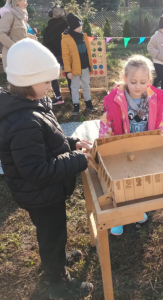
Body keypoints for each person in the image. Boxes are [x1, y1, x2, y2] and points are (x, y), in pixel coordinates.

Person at [0, 38, 94, 299]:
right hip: (39, 193)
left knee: (54, 232)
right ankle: (58, 283)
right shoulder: (23, 121)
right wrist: (79, 160)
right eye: (46, 82)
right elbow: (37, 170)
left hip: (43, 191)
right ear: (27, 80)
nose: (52, 87)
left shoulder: (32, 105)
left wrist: (72, 143)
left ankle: (58, 259)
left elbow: (49, 141)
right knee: (52, 235)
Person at [98, 55, 163, 235]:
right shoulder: (115, 99)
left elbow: (161, 123)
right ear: (125, 79)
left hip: (145, 149)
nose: (138, 86)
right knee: (122, 183)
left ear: (149, 81)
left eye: (142, 82)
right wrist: (104, 146)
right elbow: (107, 123)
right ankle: (119, 217)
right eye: (133, 81)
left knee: (141, 183)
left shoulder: (154, 99)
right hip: (121, 149)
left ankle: (138, 211)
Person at [61, 13, 97, 116]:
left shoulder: (83, 36)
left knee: (86, 85)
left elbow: (88, 53)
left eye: (80, 26)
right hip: (74, 69)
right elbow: (66, 56)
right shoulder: (66, 38)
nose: (80, 28)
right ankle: (76, 106)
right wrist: (68, 71)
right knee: (75, 87)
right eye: (78, 26)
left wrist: (90, 65)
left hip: (85, 66)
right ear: (73, 27)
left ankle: (88, 104)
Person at [43, 4, 70, 105]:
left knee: (54, 76)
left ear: (52, 14)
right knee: (69, 74)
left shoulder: (48, 28)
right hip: (66, 54)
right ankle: (74, 95)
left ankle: (58, 97)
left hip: (53, 55)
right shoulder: (68, 26)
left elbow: (45, 43)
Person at [0, 0, 36, 71]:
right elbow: (1, 33)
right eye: (25, 1)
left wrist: (29, 36)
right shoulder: (9, 14)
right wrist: (14, 46)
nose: (27, 4)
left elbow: (17, 34)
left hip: (21, 56)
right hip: (13, 58)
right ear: (17, 1)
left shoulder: (18, 15)